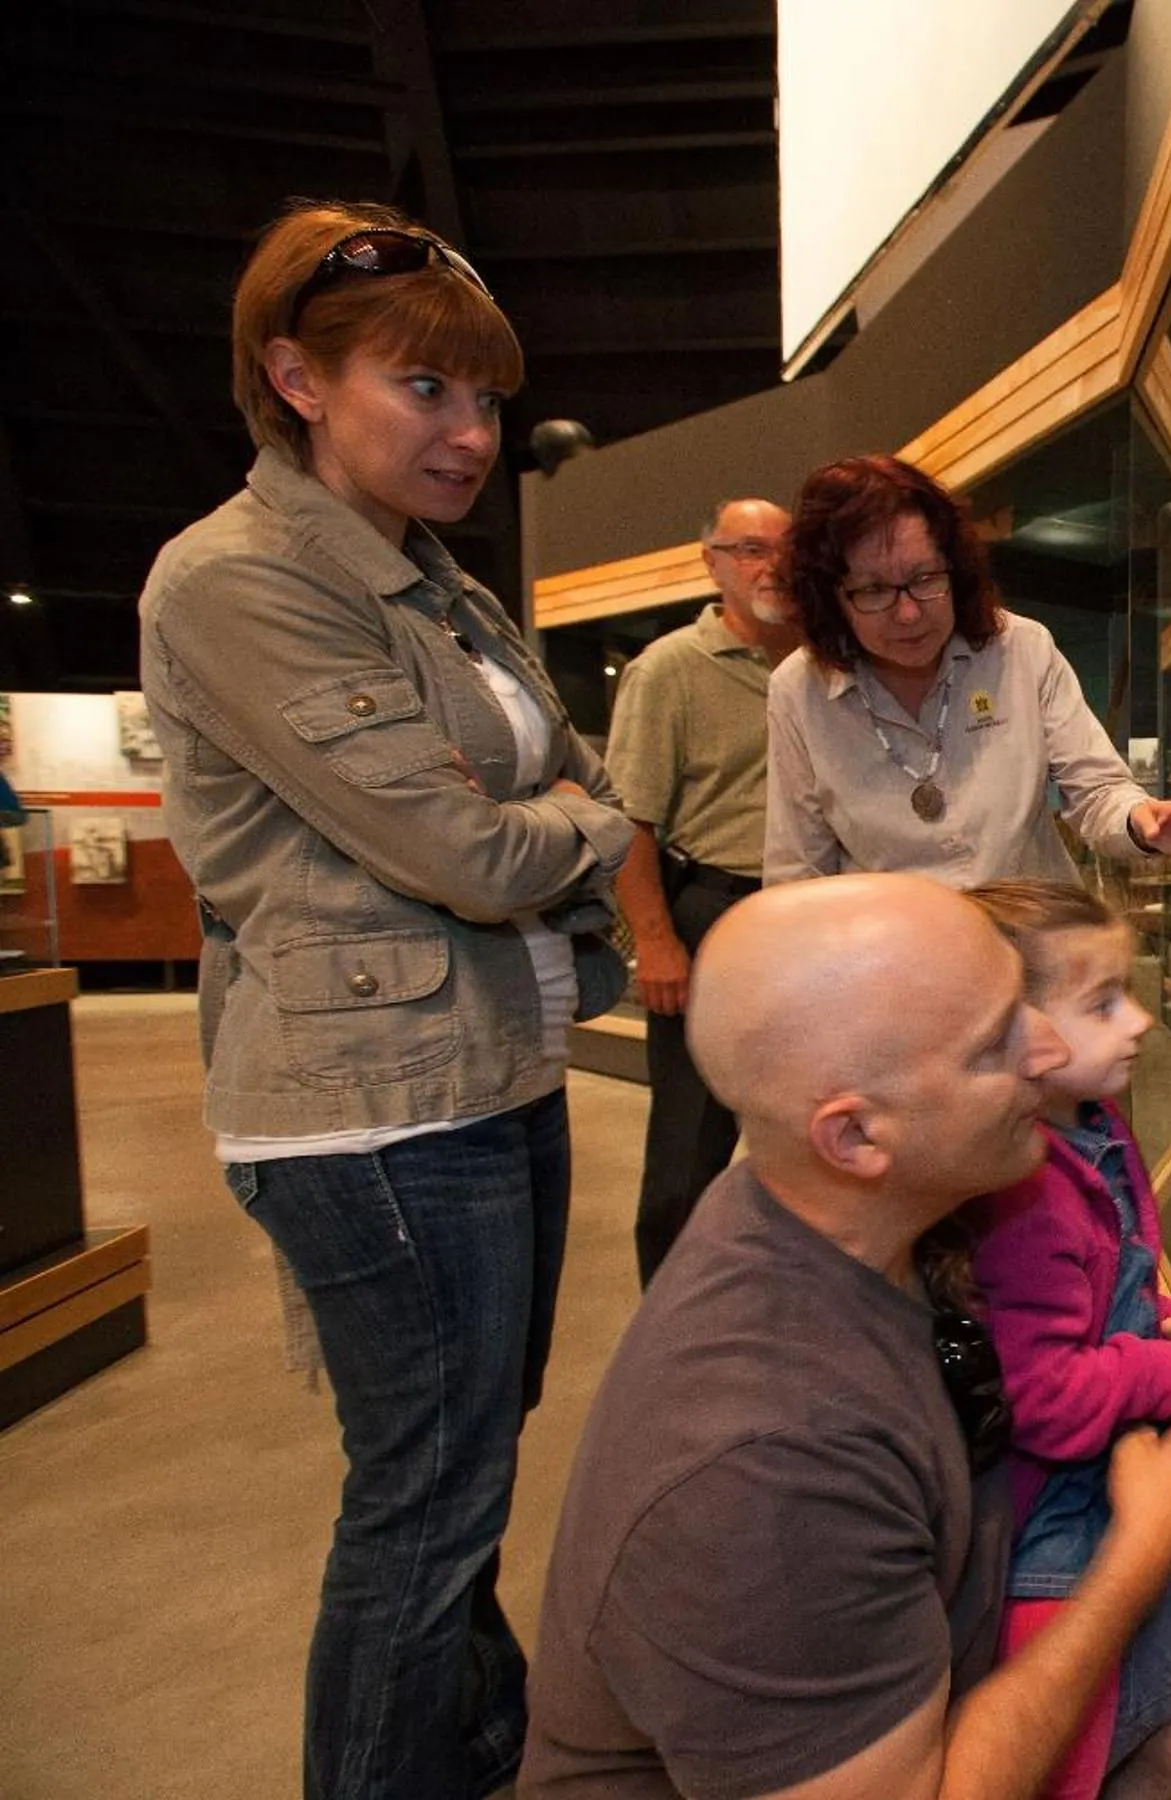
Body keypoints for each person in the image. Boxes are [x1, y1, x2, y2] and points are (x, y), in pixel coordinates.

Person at [137, 200, 633, 1800]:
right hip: (378, 1115)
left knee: (461, 1469)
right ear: (295, 376)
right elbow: (480, 844)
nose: (472, 433)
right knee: (421, 1504)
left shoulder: (433, 584)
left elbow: (557, 781)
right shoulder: (235, 578)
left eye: (484, 400)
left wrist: (559, 822)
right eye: (426, 390)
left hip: (493, 1070)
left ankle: (478, 1747)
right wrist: (586, 834)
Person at [522, 873, 1171, 1799]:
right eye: (995, 1043)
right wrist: (1143, 1548)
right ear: (856, 1136)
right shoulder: (768, 1466)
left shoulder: (828, 1206)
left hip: (953, 1616)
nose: (1044, 1050)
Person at [961, 878, 1171, 1800]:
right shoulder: (1023, 1190)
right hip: (1050, 1528)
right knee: (1060, 1734)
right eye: (1102, 1003)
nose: (1139, 1022)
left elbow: (1119, 1282)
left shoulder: (1092, 1127)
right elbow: (1045, 1396)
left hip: (1113, 1462)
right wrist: (1159, 1377)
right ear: (1014, 1032)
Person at [765, 454, 1171, 888]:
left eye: (925, 578)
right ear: (830, 596)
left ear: (956, 569)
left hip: (1035, 947)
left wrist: (1140, 820)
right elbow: (799, 869)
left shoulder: (1021, 648)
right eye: (873, 590)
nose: (908, 613)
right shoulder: (798, 691)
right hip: (901, 960)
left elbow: (1097, 790)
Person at [607, 495, 802, 1283]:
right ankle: (673, 1319)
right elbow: (631, 822)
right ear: (712, 562)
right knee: (691, 1139)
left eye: (786, 549)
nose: (772, 565)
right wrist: (655, 940)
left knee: (810, 1131)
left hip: (806, 920)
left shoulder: (822, 661)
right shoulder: (669, 672)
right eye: (750, 548)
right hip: (713, 911)